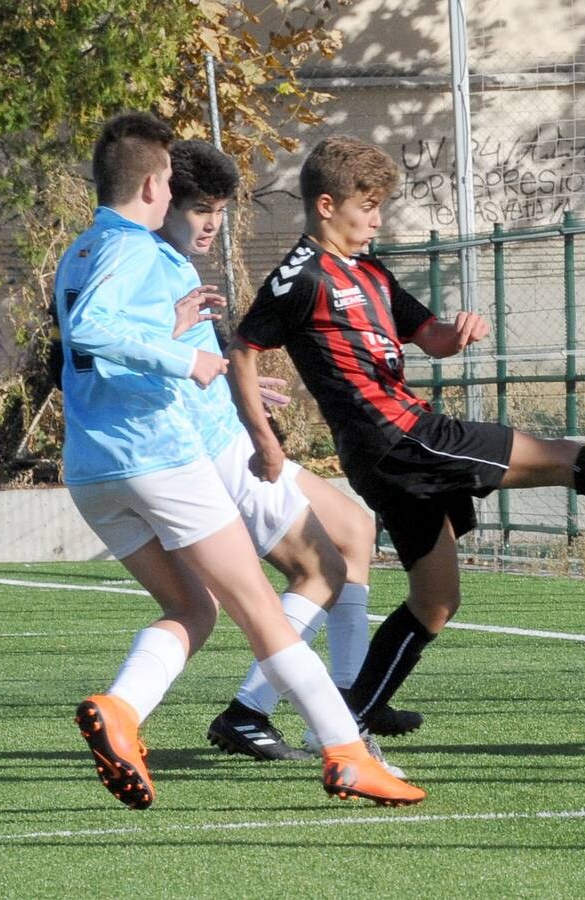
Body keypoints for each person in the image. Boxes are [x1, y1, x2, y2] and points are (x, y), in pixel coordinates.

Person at [224, 136, 585, 737]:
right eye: (368, 206)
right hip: (401, 437)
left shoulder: (367, 269)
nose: (378, 219)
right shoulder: (298, 278)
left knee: (436, 602)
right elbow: (243, 350)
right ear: (325, 204)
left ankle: (344, 717)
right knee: (562, 457)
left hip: (394, 452)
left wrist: (458, 331)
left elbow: (432, 338)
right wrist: (264, 439)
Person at [55, 113, 423, 808]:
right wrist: (187, 355)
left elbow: (88, 348)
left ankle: (123, 712)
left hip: (92, 467)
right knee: (264, 604)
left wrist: (182, 342)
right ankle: (344, 750)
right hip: (157, 453)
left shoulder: (81, 251)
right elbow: (93, 330)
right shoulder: (137, 249)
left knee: (193, 607)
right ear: (157, 183)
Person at [154, 141, 417, 773]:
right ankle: (260, 709)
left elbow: (188, 362)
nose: (212, 223)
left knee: (354, 529)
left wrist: (220, 381)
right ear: (159, 198)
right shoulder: (145, 261)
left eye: (220, 208)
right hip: (212, 452)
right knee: (317, 571)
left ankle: (350, 700)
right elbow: (114, 351)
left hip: (225, 434)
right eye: (199, 208)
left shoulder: (177, 264)